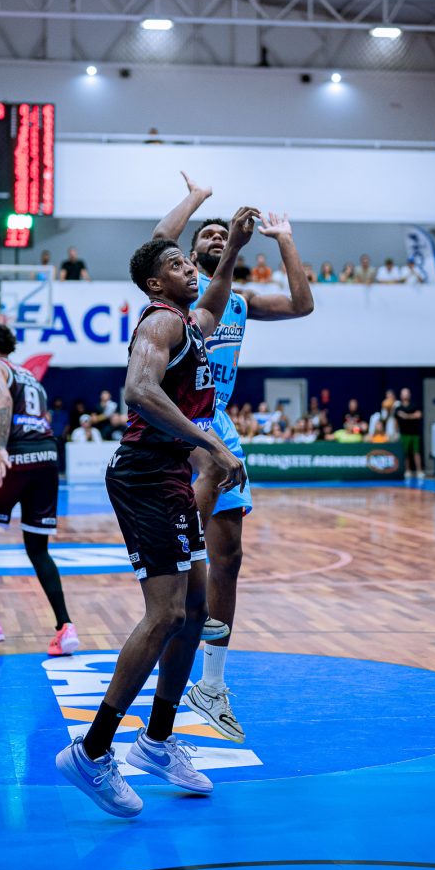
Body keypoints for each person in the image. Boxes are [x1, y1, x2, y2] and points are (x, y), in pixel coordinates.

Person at [55, 208, 256, 817]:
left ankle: (158, 740)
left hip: (169, 474)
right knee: (166, 612)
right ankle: (91, 751)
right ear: (154, 283)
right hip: (145, 474)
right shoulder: (161, 321)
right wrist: (212, 444)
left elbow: (215, 302)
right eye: (177, 263)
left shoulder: (192, 322)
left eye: (190, 261)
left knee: (194, 610)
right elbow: (139, 391)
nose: (190, 267)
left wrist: (234, 248)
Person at [152, 172, 314, 742]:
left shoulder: (239, 302)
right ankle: (166, 647)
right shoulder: (179, 294)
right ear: (190, 253)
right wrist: (196, 199)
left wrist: (284, 238)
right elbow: (158, 240)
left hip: (218, 424)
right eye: (208, 235)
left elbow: (302, 304)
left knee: (230, 557)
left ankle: (212, 684)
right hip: (178, 423)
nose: (218, 237)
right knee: (183, 561)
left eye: (225, 234)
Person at [0, 324, 79, 656]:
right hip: (47, 457)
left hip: (14, 459)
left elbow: (2, 400)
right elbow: (30, 428)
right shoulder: (30, 377)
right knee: (38, 548)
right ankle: (65, 627)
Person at [395, 387, 423, 478]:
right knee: (405, 453)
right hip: (404, 434)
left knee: (416, 452)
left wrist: (406, 416)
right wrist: (396, 432)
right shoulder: (398, 408)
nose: (405, 395)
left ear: (409, 395)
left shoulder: (414, 405)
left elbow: (419, 415)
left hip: (415, 433)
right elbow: (397, 420)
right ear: (401, 395)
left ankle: (419, 471)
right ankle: (408, 470)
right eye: (404, 393)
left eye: (407, 393)